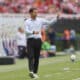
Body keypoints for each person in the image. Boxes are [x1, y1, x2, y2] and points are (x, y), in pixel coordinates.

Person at [25, 7, 60, 79]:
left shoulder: (40, 20)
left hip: (38, 41)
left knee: (37, 57)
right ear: (30, 13)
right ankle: (31, 71)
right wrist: (33, 32)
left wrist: (56, 18)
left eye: (36, 12)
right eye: (35, 12)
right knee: (31, 56)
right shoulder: (27, 21)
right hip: (30, 40)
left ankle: (35, 72)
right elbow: (26, 31)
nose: (36, 13)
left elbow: (49, 22)